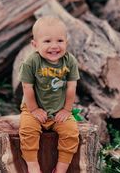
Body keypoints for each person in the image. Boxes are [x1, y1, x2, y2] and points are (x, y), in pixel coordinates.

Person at [19, 16, 80, 173]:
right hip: (33, 108)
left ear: (66, 42)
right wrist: (33, 110)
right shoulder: (31, 62)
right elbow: (27, 88)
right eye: (47, 41)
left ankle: (61, 168)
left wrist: (66, 110)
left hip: (59, 109)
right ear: (35, 44)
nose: (54, 46)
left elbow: (71, 87)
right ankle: (33, 165)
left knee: (71, 132)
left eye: (59, 41)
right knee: (27, 131)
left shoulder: (70, 61)